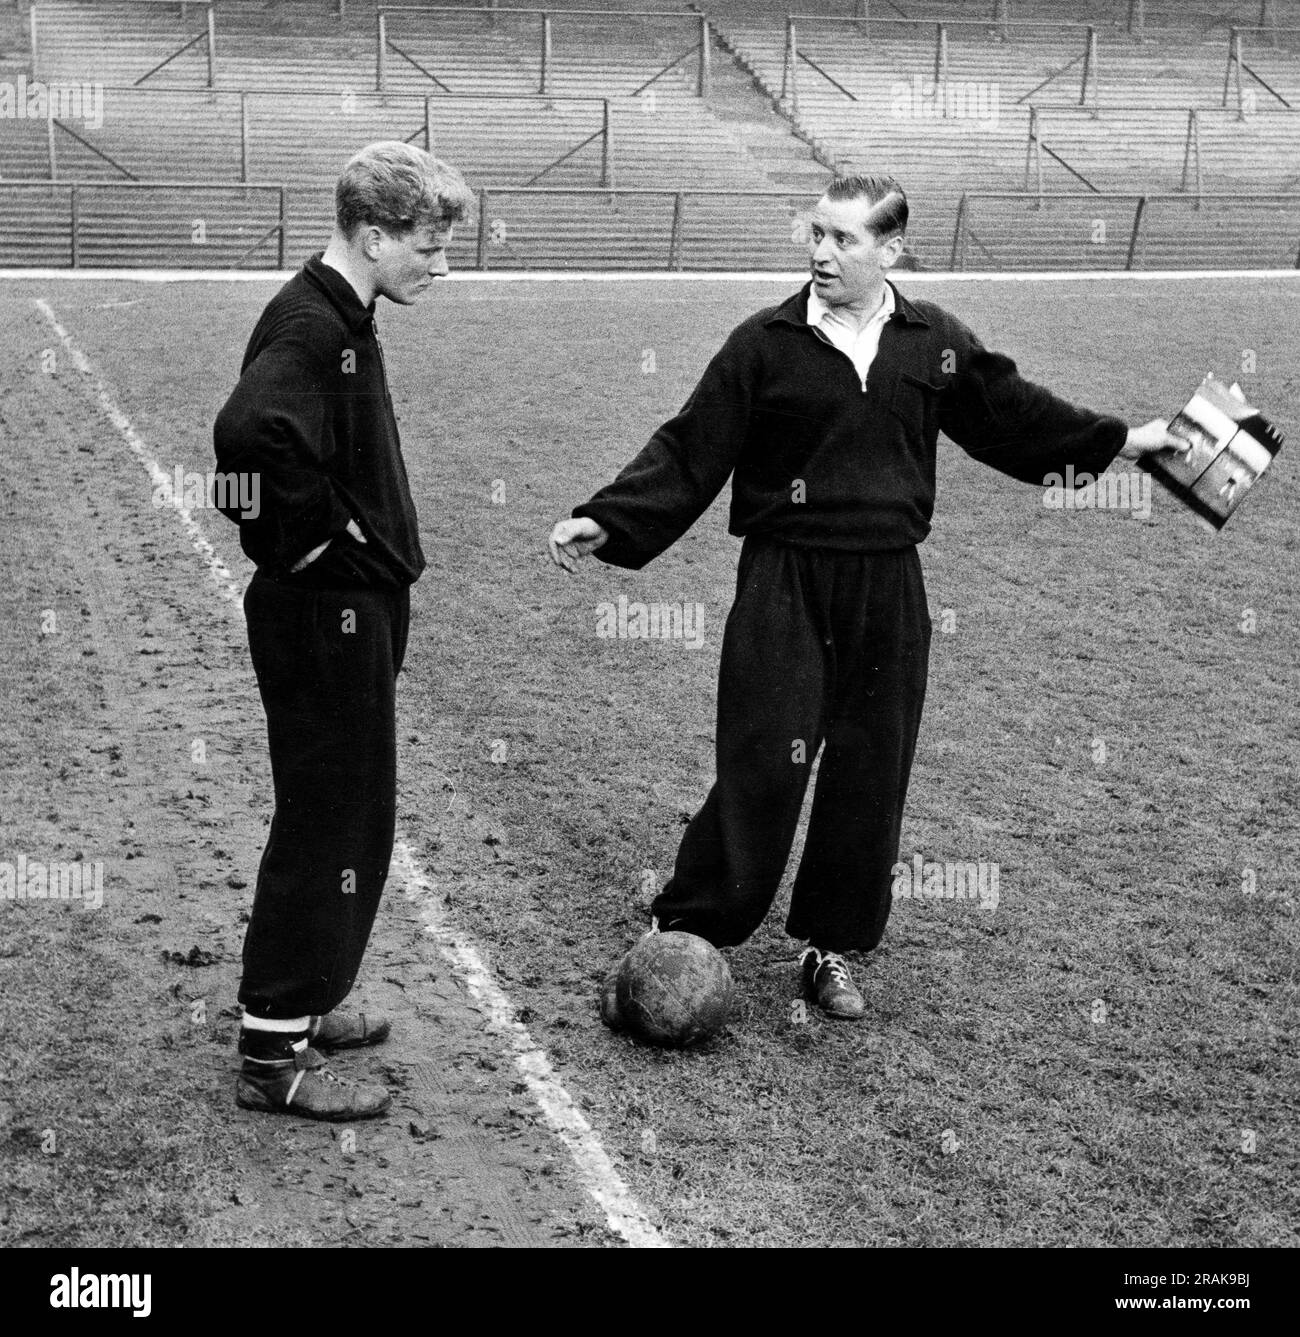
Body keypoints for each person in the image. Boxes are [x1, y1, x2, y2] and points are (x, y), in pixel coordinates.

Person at [548, 174, 1179, 1023]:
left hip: (888, 581)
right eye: (816, 234)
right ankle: (687, 923)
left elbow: (1017, 419)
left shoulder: (932, 342)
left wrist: (1130, 443)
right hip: (784, 576)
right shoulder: (765, 341)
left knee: (870, 768)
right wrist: (608, 519)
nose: (821, 253)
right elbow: (692, 444)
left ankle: (830, 946)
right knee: (767, 753)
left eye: (844, 240)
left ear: (891, 249)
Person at [214, 142, 472, 1118]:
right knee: (329, 816)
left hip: (346, 610)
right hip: (327, 615)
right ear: (374, 234)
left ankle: (307, 1001)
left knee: (350, 810)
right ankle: (272, 1052)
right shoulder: (313, 326)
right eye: (431, 248)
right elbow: (241, 443)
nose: (440, 268)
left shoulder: (339, 311)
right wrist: (314, 546)